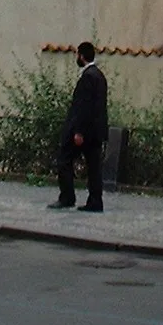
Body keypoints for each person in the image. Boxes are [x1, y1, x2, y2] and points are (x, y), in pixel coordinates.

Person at [48, 41, 108, 213]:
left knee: (64, 159)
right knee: (94, 167)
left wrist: (78, 131)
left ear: (81, 56)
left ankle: (67, 197)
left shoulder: (88, 77)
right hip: (96, 132)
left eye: (77, 55)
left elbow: (84, 106)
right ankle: (96, 201)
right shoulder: (100, 76)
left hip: (84, 131)